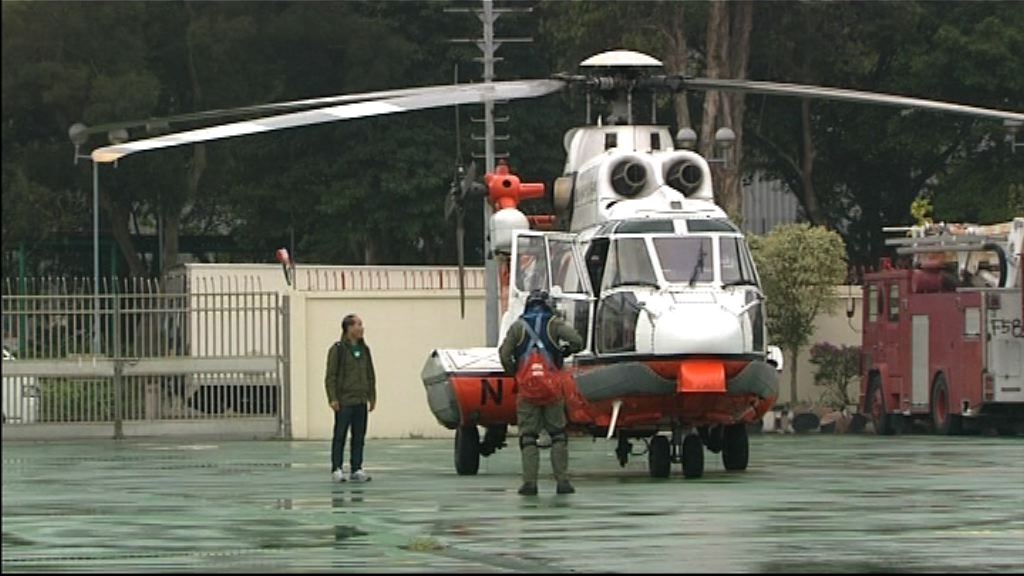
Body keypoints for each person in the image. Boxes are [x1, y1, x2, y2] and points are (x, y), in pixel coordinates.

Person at [499, 289, 584, 496]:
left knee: (528, 437)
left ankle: (530, 484)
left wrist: (515, 372)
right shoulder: (554, 324)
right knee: (558, 435)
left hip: (527, 390)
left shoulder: (518, 326)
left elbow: (504, 354)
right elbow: (577, 341)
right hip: (552, 389)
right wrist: (565, 352)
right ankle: (562, 482)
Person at [325, 313, 377, 483]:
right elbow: (331, 376)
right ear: (349, 328)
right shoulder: (338, 349)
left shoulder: (365, 350)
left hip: (361, 400)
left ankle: (357, 468)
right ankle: (337, 468)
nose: (361, 328)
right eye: (358, 325)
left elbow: (370, 374)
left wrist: (372, 396)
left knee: (359, 436)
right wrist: (332, 398)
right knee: (340, 435)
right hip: (344, 401)